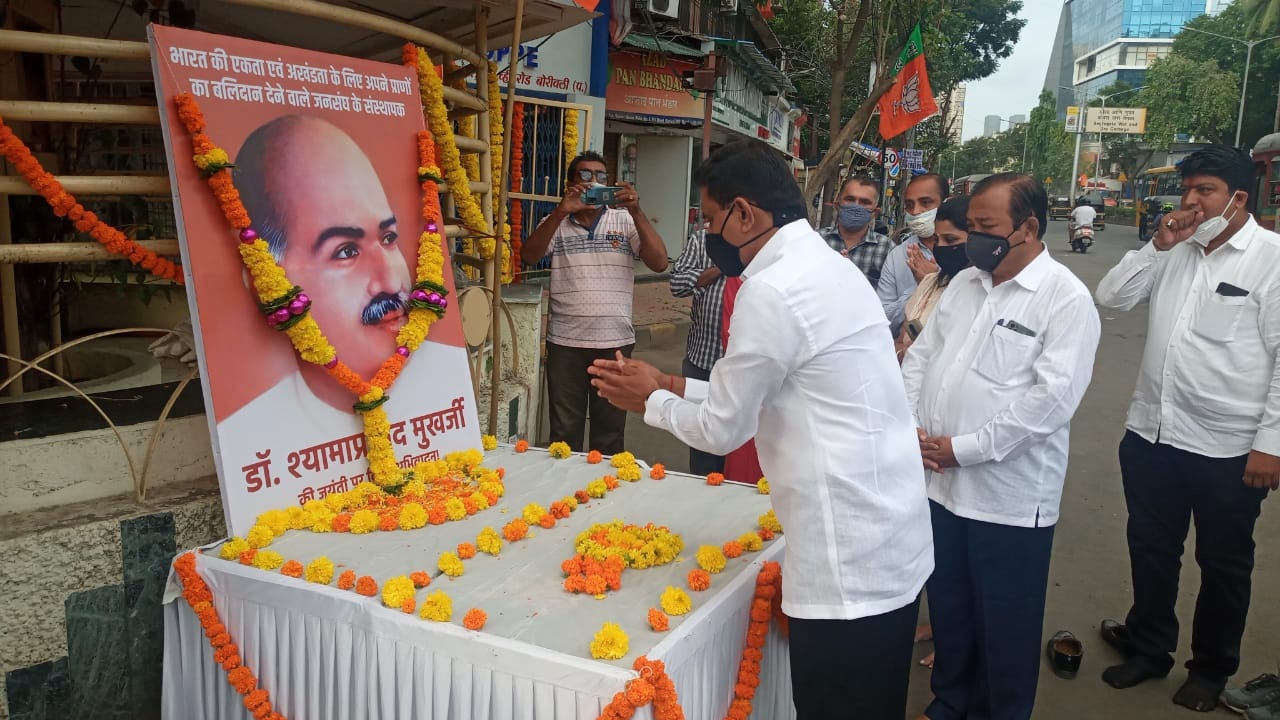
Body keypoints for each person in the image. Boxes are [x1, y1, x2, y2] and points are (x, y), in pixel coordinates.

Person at [587, 139, 933, 720]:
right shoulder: (828, 266)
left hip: (846, 560)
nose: (707, 234)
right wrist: (672, 386)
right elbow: (771, 393)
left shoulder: (770, 290)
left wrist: (650, 399)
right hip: (889, 539)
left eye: (709, 218)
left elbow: (724, 426)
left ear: (745, 214)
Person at [902, 173, 1101, 720]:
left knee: (1004, 629)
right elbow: (921, 359)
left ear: (1029, 228)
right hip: (940, 490)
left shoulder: (1065, 300)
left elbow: (1050, 403)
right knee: (951, 614)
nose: (973, 240)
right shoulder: (966, 284)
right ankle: (949, 705)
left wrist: (962, 448)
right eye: (970, 228)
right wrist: (912, 425)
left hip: (1008, 502)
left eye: (986, 228)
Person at [1094, 145, 1280, 712]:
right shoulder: (1176, 251)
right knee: (1151, 550)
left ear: (1238, 198)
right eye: (1189, 191)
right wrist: (1156, 245)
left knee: (1223, 564)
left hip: (1229, 448)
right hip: (1151, 435)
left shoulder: (1271, 259)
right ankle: (1150, 650)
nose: (1191, 203)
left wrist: (1270, 447)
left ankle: (1210, 669)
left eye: (1206, 191)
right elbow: (1111, 298)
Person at [520, 151, 669, 454]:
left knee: (610, 433)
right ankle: (562, 495)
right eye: (585, 175)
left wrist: (637, 211)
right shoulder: (555, 221)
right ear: (571, 184)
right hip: (565, 344)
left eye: (601, 177)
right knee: (564, 432)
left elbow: (659, 263)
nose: (594, 182)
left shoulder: (625, 220)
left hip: (614, 343)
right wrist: (561, 212)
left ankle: (604, 494)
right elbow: (528, 256)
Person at [669, 228, 726, 475]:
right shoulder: (704, 240)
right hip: (702, 361)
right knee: (703, 447)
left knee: (739, 448)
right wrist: (719, 268)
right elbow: (677, 283)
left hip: (744, 368)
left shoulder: (765, 244)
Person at [896, 195, 971, 361]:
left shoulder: (983, 291)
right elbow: (902, 339)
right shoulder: (929, 283)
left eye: (950, 240)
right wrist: (903, 355)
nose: (941, 247)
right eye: (936, 240)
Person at [879, 173, 949, 337]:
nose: (916, 211)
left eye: (925, 203)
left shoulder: (964, 250)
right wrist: (921, 288)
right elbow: (883, 319)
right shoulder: (898, 255)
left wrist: (934, 284)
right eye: (909, 205)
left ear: (946, 202)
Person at [819, 175, 893, 286]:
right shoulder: (817, 241)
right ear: (838, 204)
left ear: (874, 212)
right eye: (850, 199)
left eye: (865, 202)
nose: (856, 206)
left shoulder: (887, 250)